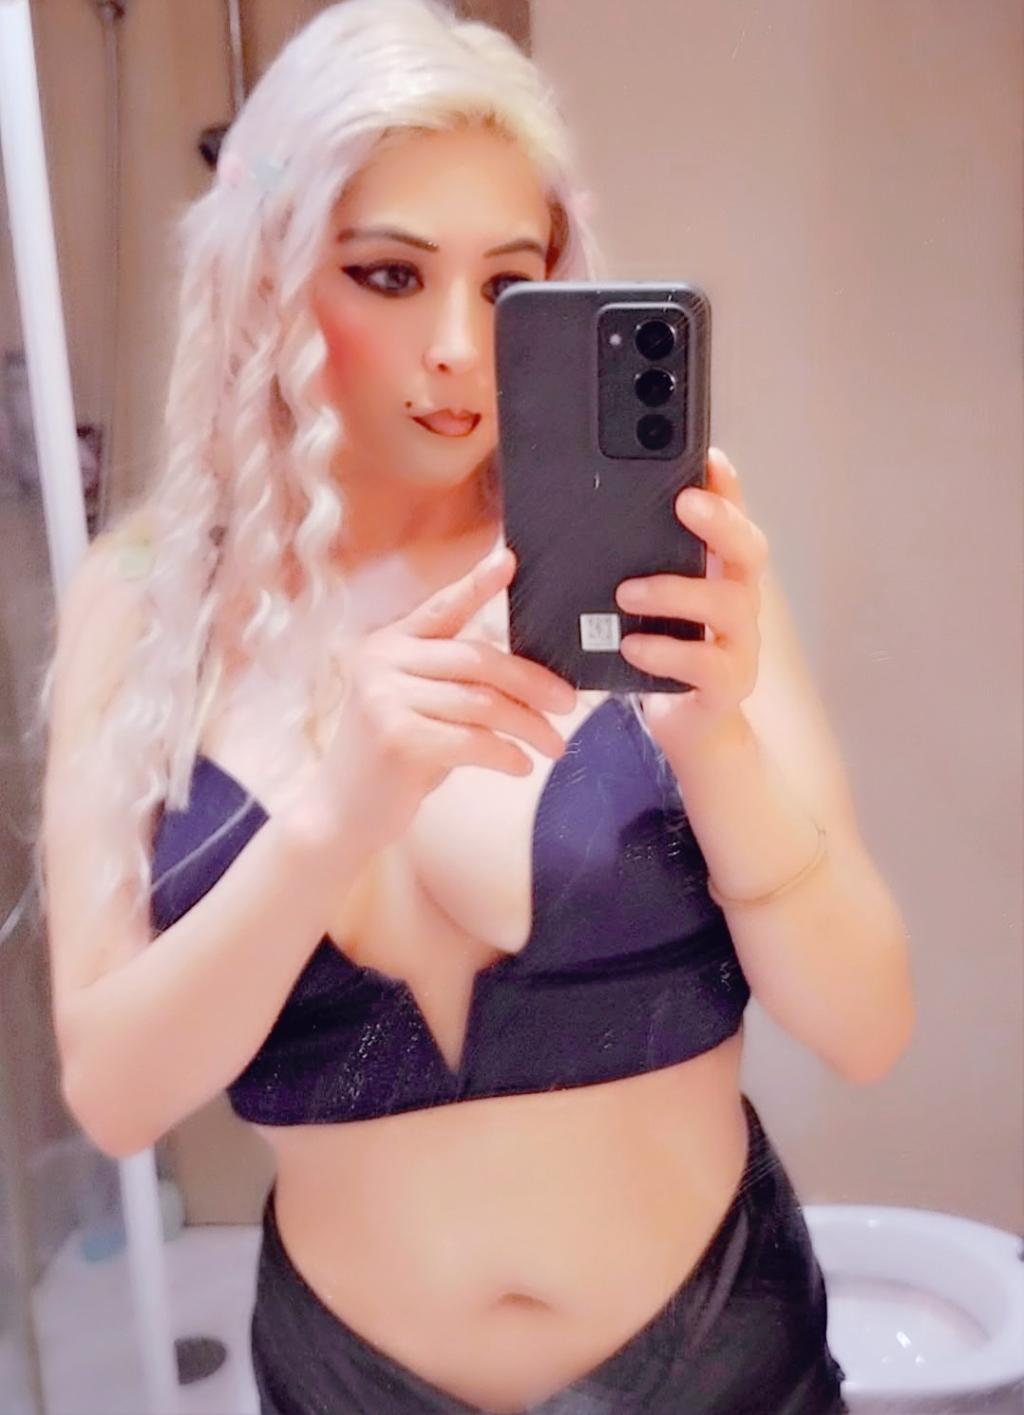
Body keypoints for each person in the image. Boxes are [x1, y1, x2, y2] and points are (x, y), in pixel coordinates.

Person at [37, 2, 914, 1410]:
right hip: (345, 1380)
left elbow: (868, 1027)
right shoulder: (143, 607)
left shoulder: (661, 566)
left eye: (509, 282)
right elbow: (117, 1098)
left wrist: (714, 742)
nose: (458, 345)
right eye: (388, 274)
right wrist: (333, 820)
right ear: (266, 277)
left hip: (713, 1365)